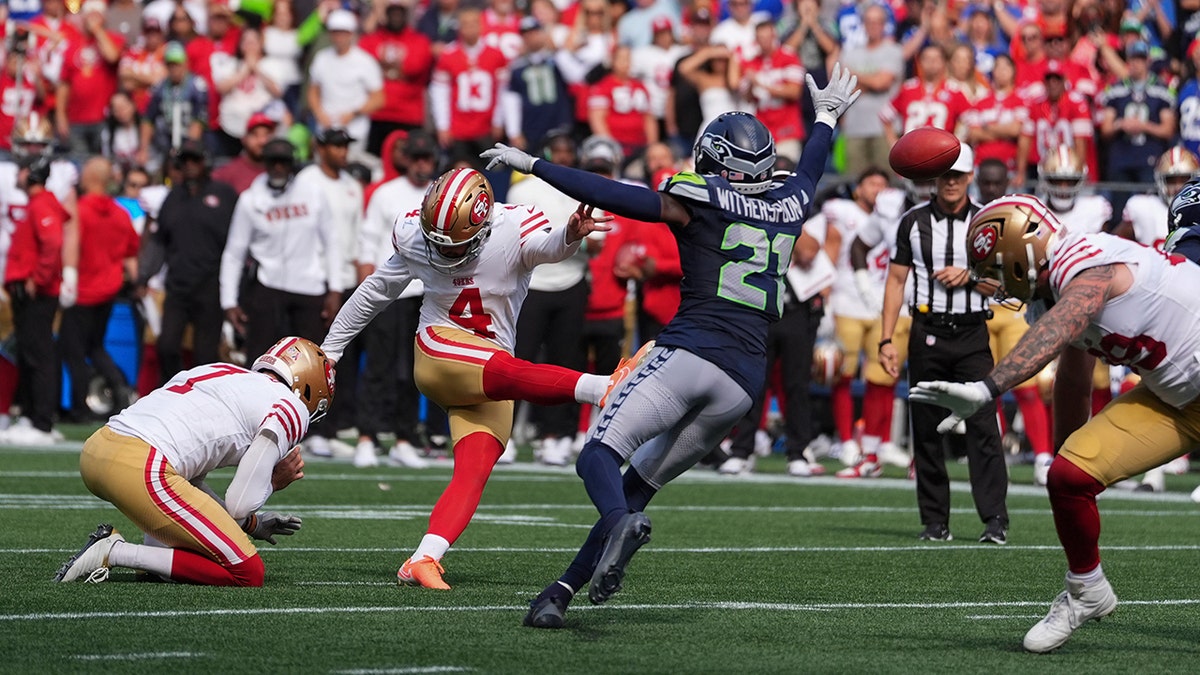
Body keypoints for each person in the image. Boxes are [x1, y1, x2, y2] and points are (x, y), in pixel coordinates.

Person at [482, 63, 860, 628]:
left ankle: (617, 525)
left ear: (716, 161)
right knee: (634, 491)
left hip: (689, 352)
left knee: (597, 457)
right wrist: (826, 118)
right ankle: (558, 594)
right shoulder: (790, 203)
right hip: (742, 383)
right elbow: (810, 167)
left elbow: (613, 194)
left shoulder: (697, 196)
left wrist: (534, 164)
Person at [321, 167, 647, 589]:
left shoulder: (513, 225)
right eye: (436, 241)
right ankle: (603, 387)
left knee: (474, 469)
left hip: (490, 368)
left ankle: (423, 558)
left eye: (453, 244)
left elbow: (546, 248)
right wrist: (331, 350)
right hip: (440, 351)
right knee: (506, 370)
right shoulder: (416, 235)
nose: (443, 251)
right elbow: (376, 291)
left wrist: (569, 234)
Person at [908, 193, 1200, 652]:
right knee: (1067, 476)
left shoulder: (1082, 258)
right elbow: (1074, 377)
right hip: (1177, 400)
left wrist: (988, 387)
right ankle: (1087, 590)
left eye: (995, 267)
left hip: (1183, 386)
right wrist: (1072, 464)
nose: (996, 282)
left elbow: (1067, 320)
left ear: (1019, 252)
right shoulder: (1054, 294)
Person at [52, 337, 330, 586]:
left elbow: (189, 484)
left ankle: (155, 559)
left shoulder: (219, 371)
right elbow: (239, 504)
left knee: (189, 548)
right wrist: (273, 482)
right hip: (143, 466)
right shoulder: (290, 406)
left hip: (98, 449)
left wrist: (252, 525)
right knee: (247, 572)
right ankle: (114, 551)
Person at [877, 142, 1009, 545]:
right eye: (945, 175)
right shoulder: (913, 222)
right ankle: (935, 521)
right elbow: (895, 281)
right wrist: (886, 339)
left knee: (983, 425)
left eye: (957, 175)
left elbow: (1005, 285)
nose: (951, 183)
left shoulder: (987, 222)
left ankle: (995, 520)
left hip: (972, 333)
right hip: (926, 331)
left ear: (969, 177)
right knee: (926, 428)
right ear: (934, 178)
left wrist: (970, 277)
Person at [220, 139, 342, 386]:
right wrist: (228, 301)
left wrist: (335, 289)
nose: (278, 167)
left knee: (311, 365)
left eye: (283, 162)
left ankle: (309, 412)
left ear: (292, 165)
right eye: (272, 162)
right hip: (268, 286)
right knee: (261, 360)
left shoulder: (313, 193)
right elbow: (234, 252)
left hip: (309, 286)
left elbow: (332, 241)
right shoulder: (251, 199)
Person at [353, 130, 440, 469]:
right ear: (406, 160)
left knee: (415, 370)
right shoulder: (386, 194)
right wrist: (367, 286)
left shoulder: (439, 194)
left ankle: (404, 438)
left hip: (426, 293)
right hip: (389, 292)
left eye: (426, 158)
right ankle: (366, 436)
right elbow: (367, 240)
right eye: (416, 158)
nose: (421, 164)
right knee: (378, 366)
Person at [139, 140, 238, 384]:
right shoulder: (173, 198)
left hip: (210, 287)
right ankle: (172, 392)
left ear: (206, 162)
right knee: (166, 346)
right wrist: (143, 276)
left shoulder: (224, 195)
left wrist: (236, 289)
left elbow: (238, 244)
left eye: (196, 160)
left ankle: (204, 401)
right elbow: (159, 242)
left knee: (205, 355)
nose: (190, 165)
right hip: (178, 287)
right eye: (185, 161)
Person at [60, 157, 140, 421]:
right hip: (109, 290)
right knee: (95, 346)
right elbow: (131, 252)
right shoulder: (121, 214)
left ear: (90, 178)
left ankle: (79, 408)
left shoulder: (79, 211)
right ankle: (119, 388)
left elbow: (67, 246)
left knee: (73, 349)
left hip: (81, 290)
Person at [0, 155, 65, 445]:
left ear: (32, 172)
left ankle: (41, 422)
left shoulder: (42, 205)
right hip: (29, 291)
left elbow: (53, 242)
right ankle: (30, 416)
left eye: (22, 170)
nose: (18, 175)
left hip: (37, 293)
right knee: (29, 354)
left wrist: (37, 278)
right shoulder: (37, 204)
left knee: (38, 355)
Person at [307, 9, 385, 162]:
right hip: (326, 129)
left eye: (343, 33)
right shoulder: (321, 58)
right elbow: (313, 91)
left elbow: (379, 99)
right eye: (335, 32)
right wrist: (319, 113)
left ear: (351, 34)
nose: (339, 37)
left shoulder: (365, 61)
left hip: (354, 131)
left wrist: (353, 113)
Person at [1114, 146, 1200, 251]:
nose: (1178, 187)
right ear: (1159, 181)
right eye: (1171, 180)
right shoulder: (1143, 206)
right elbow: (1114, 245)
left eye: (1184, 180)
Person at [211, 112, 275, 193]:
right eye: (255, 134)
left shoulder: (280, 170)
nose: (262, 141)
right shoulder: (227, 173)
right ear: (244, 139)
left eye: (266, 135)